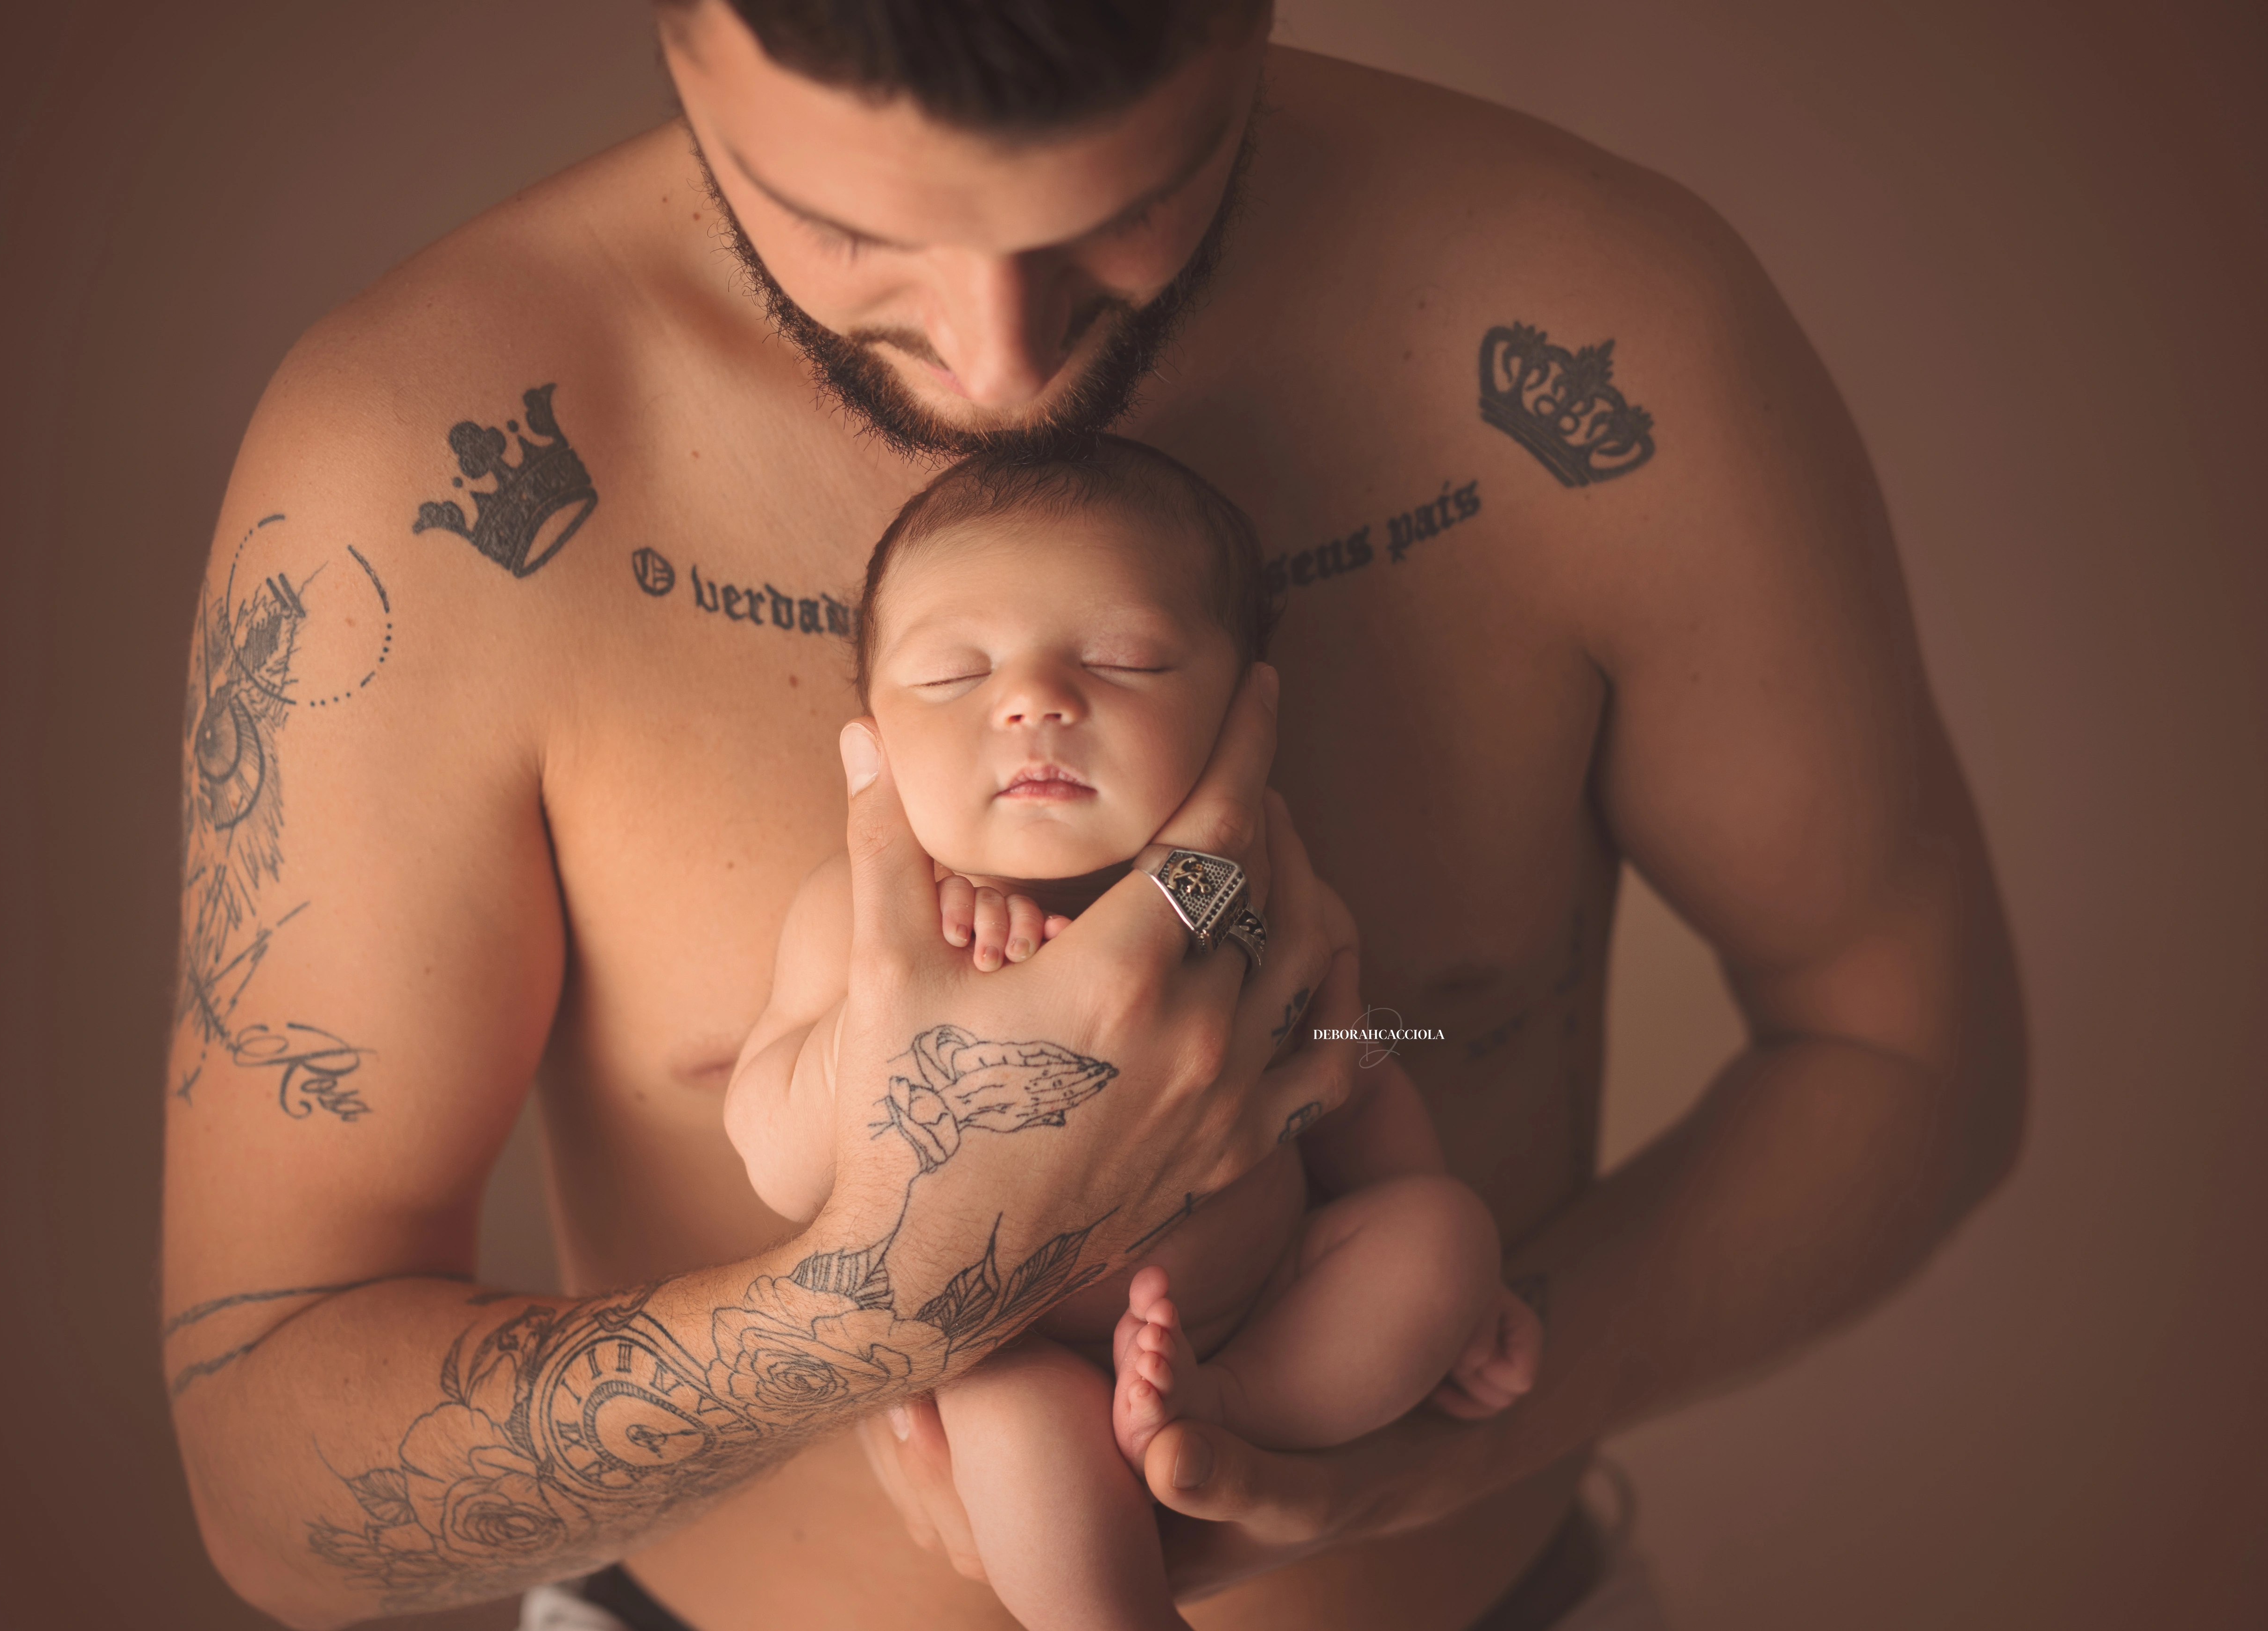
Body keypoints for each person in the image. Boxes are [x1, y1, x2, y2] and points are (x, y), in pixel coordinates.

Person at [160, 2, 2027, 1628]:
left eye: (1127, 205)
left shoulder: (1603, 341)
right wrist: (880, 1305)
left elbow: (1902, 1047)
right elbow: (265, 1492)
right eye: (842, 225)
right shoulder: (416, 472)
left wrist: (1414, 1445)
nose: (996, 360)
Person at [722, 436, 1542, 1631]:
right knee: (1008, 1416)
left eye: (1124, 658)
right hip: (1014, 1336)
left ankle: (1219, 1408)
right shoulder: (861, 925)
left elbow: (1351, 1072)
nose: (1036, 698)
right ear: (873, 735)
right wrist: (888, 1030)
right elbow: (778, 1157)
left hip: (1256, 1315)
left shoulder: (1252, 898)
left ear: (1239, 709)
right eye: (955, 674)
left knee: (1441, 1233)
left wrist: (1451, 1285)